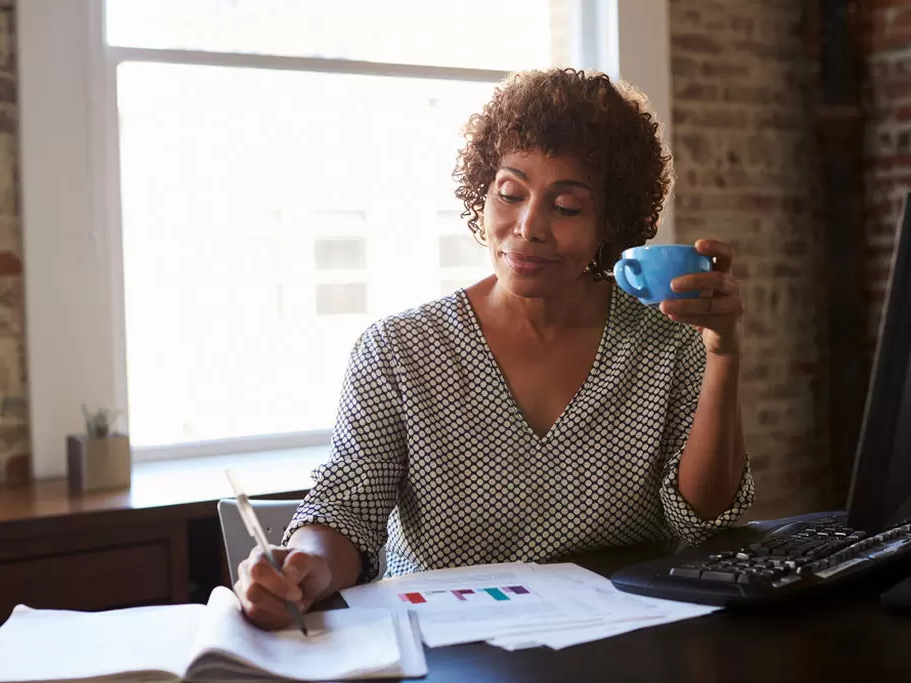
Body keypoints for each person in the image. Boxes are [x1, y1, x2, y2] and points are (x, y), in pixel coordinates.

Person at [235, 68, 755, 630]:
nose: (528, 227)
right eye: (510, 193)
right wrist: (304, 562)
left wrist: (723, 355)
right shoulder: (399, 350)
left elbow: (704, 518)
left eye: (568, 206)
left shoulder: (667, 343)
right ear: (483, 192)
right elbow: (344, 508)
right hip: (446, 652)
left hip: (621, 648)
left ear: (611, 221)